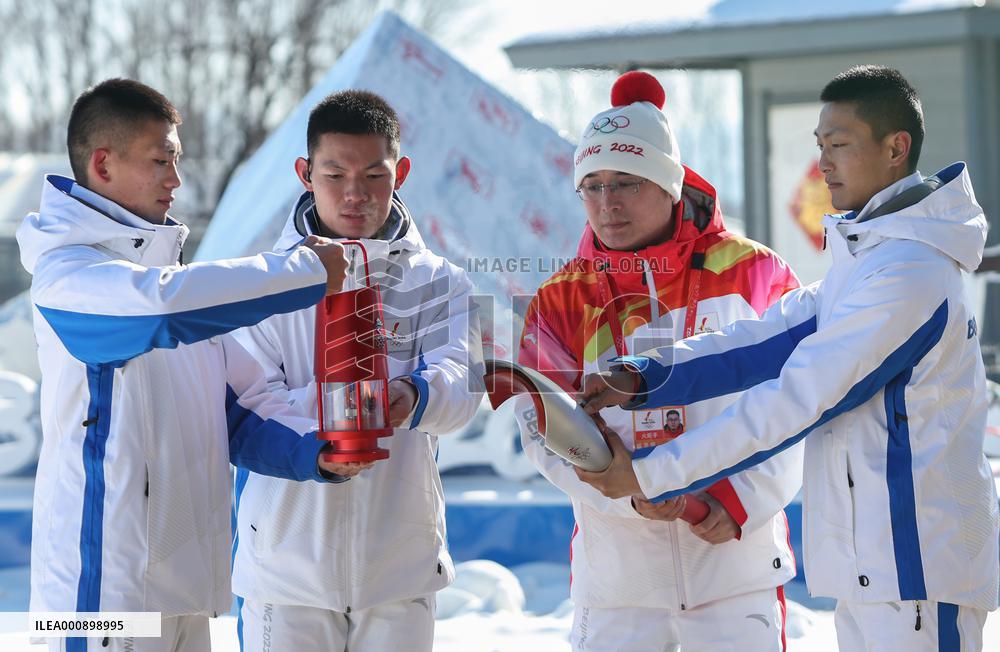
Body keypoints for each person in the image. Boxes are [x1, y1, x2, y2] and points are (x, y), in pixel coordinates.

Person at [578, 65, 1000, 651]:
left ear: (896, 148)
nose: (824, 164)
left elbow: (801, 398)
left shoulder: (912, 271)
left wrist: (652, 471)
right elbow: (764, 339)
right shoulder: (871, 260)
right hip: (878, 570)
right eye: (819, 145)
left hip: (919, 570)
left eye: (841, 145)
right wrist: (643, 377)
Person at [17, 78, 353, 652]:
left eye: (177, 160)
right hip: (98, 602)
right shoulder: (67, 279)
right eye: (161, 160)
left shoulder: (174, 287)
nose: (176, 180)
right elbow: (159, 309)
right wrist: (300, 272)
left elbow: (242, 413)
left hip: (186, 595)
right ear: (102, 164)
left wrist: (325, 447)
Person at [515, 71, 802, 651]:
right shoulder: (559, 297)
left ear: (670, 185)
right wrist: (628, 491)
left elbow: (799, 397)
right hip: (619, 588)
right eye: (590, 186)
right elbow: (537, 426)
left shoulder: (752, 271)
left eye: (626, 182)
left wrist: (741, 499)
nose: (607, 203)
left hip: (735, 571)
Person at [231, 90, 484, 652]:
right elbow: (249, 405)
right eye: (334, 173)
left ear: (402, 173)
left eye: (374, 175)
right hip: (285, 569)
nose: (354, 193)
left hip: (400, 572)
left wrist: (411, 396)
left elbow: (463, 387)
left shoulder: (445, 282)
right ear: (304, 173)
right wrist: (340, 414)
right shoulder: (259, 283)